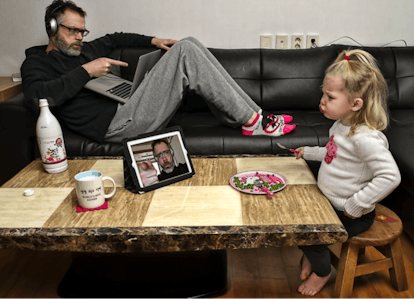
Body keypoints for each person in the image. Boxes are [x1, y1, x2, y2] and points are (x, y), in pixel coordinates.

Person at [21, 0, 296, 146]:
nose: (80, 37)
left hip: (128, 105)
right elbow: (37, 97)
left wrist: (154, 40)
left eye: (83, 31)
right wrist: (86, 71)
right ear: (53, 27)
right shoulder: (37, 64)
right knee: (186, 50)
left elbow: (117, 38)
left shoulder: (84, 49)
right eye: (72, 30)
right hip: (115, 125)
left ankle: (252, 117)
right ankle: (254, 122)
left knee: (189, 42)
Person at [293, 49, 401, 296]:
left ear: (355, 104)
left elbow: (390, 176)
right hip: (330, 203)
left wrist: (356, 204)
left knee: (307, 234)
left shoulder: (365, 139)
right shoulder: (341, 125)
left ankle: (322, 272)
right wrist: (309, 153)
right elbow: (334, 154)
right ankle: (313, 255)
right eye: (323, 93)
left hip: (351, 212)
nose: (321, 101)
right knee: (298, 222)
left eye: (329, 97)